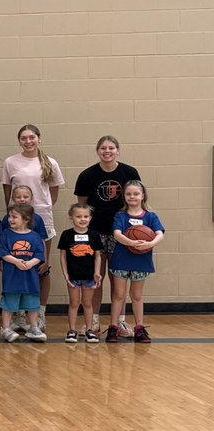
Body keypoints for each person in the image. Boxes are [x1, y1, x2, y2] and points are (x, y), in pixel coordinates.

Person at [74, 136, 141, 331]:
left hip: (121, 231)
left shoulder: (129, 172)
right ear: (97, 151)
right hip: (96, 232)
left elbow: (136, 199)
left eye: (111, 148)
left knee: (117, 278)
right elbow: (82, 207)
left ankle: (118, 321)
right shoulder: (87, 175)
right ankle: (93, 321)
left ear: (118, 151)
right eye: (103, 148)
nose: (107, 151)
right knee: (97, 277)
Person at [1, 124, 65, 325]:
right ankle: (20, 313)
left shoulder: (50, 162)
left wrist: (41, 208)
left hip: (42, 218)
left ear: (39, 138)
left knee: (41, 267)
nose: (28, 141)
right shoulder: (11, 162)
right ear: (19, 140)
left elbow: (53, 193)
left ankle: (39, 312)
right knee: (17, 265)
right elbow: (7, 191)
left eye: (31, 137)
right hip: (17, 222)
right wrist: (17, 215)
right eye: (23, 138)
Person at [107, 181, 165, 344]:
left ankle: (139, 327)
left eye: (136, 194)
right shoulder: (120, 215)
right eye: (128, 194)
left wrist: (151, 243)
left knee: (137, 296)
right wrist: (131, 243)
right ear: (124, 196)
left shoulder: (151, 216)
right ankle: (113, 327)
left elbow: (160, 234)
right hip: (121, 260)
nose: (132, 197)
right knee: (119, 295)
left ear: (143, 196)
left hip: (141, 261)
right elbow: (117, 234)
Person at [2, 185, 51, 333]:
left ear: (31, 199)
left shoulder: (38, 220)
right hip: (12, 265)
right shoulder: (7, 220)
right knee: (13, 293)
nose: (22, 199)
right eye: (18, 196)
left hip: (31, 264)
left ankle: (35, 323)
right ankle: (18, 319)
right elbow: (3, 245)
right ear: (13, 198)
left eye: (25, 196)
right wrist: (3, 261)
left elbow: (41, 242)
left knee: (31, 292)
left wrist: (44, 260)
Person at [58, 203, 102, 344]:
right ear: (71, 218)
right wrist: (65, 274)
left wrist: (97, 273)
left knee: (88, 303)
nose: (82, 219)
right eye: (78, 216)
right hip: (73, 276)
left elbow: (98, 256)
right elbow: (63, 256)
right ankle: (72, 330)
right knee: (74, 303)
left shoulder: (94, 235)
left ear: (90, 218)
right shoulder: (66, 235)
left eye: (86, 216)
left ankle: (90, 330)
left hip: (89, 276)